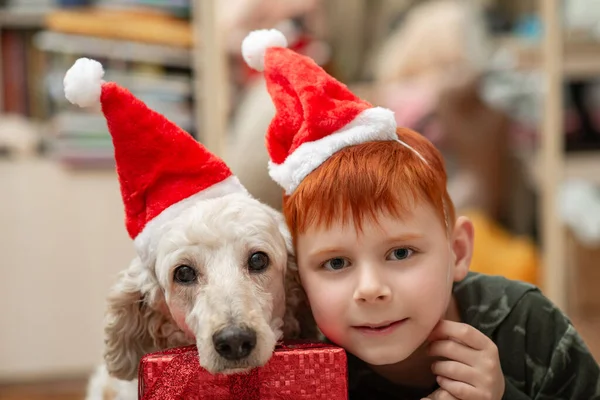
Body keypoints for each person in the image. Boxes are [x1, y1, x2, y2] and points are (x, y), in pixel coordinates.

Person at [240, 29, 600, 399]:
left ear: (457, 251)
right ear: (300, 275)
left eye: (400, 253)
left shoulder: (524, 323)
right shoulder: (302, 368)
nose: (370, 290)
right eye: (335, 263)